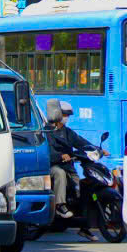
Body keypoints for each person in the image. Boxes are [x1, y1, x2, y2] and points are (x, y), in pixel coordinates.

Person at [45, 101, 97, 237]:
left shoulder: (67, 132)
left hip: (68, 167)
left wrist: (97, 149)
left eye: (68, 115)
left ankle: (84, 225)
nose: (66, 117)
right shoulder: (46, 131)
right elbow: (47, 152)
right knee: (60, 173)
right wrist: (60, 155)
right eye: (64, 114)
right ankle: (60, 205)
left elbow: (81, 142)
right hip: (51, 167)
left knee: (81, 188)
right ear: (56, 114)